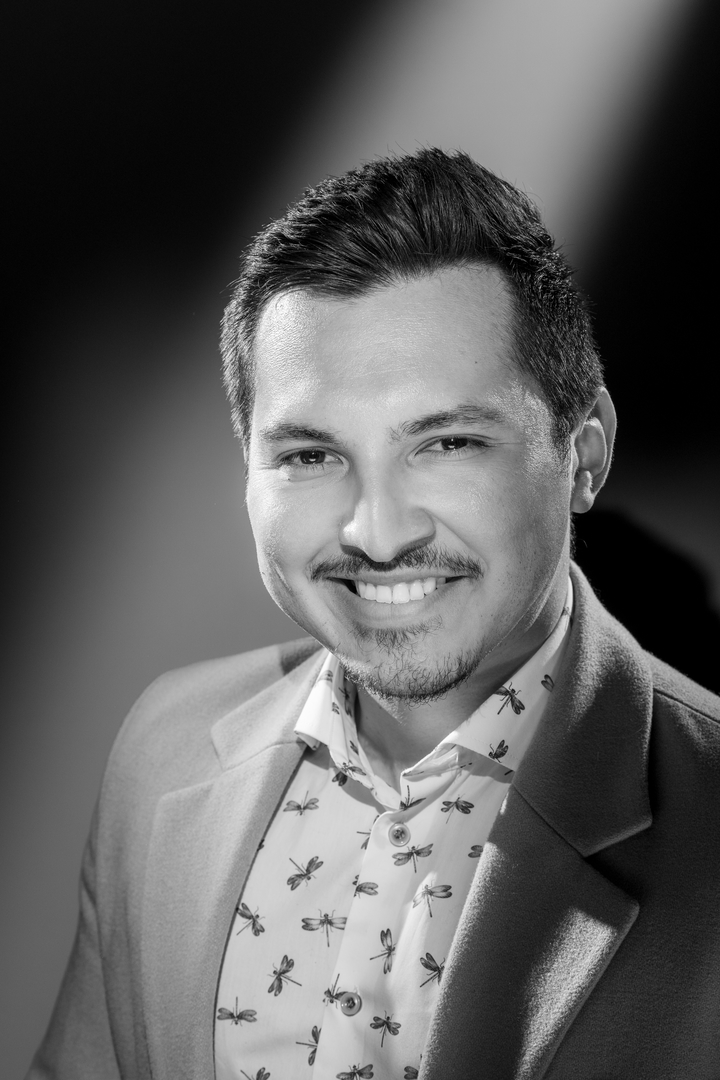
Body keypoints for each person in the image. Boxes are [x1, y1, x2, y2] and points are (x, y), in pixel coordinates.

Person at [28, 150, 720, 1080]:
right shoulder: (162, 749)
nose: (377, 533)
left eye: (448, 442)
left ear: (584, 454)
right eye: (311, 456)